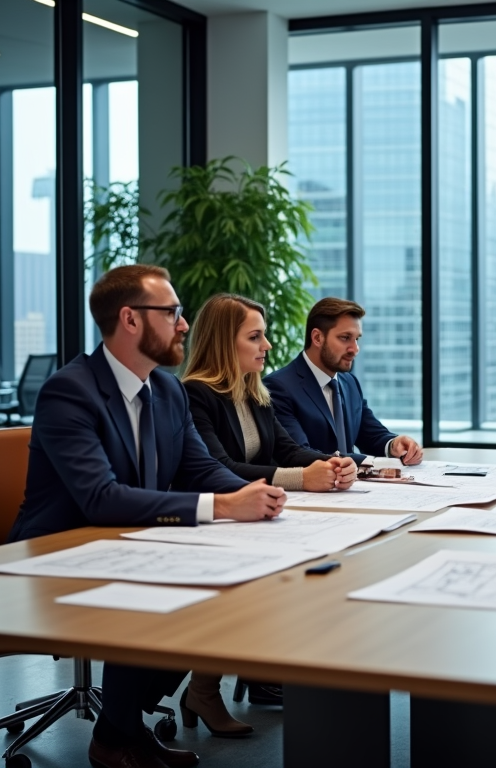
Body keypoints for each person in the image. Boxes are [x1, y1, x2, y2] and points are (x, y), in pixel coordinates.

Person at [9, 265, 288, 768]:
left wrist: (258, 496)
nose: (184, 325)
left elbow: (200, 467)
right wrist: (222, 507)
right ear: (130, 321)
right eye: (173, 313)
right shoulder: (69, 391)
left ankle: (120, 727)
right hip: (57, 553)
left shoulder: (168, 390)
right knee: (164, 596)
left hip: (130, 542)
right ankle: (117, 736)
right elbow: (101, 497)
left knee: (224, 590)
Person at [180, 293, 358, 727]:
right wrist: (301, 479)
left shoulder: (252, 390)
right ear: (225, 342)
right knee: (251, 577)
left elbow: (287, 448)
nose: (268, 346)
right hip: (207, 519)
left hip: (251, 512)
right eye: (255, 336)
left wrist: (328, 463)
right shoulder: (194, 394)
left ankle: (260, 671)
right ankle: (202, 691)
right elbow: (218, 466)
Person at [264, 297, 423, 466]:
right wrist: (372, 462)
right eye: (345, 338)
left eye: (357, 339)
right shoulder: (278, 387)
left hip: (352, 488)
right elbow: (299, 453)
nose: (355, 349)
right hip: (311, 490)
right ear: (317, 338)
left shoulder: (349, 383)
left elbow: (370, 434)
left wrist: (394, 444)